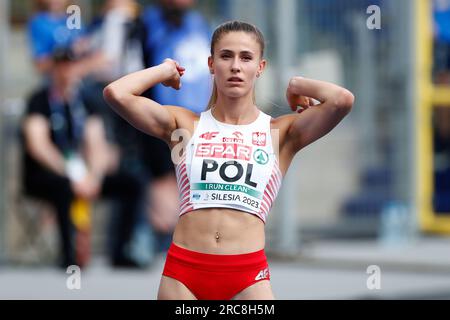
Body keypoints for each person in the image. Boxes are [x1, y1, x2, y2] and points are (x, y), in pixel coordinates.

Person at [103, 21, 354, 299]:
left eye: (246, 57)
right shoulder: (185, 126)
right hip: (184, 274)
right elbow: (116, 93)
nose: (236, 66)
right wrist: (165, 70)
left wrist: (296, 84)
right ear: (211, 64)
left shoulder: (279, 133)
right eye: (226, 56)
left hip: (247, 277)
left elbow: (341, 100)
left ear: (260, 67)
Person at [22, 47, 143, 268]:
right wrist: (71, 175)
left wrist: (94, 178)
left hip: (83, 174)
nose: (66, 71)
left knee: (131, 184)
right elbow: (38, 145)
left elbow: (96, 143)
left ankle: (121, 251)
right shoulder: (39, 101)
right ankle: (69, 256)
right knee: (64, 187)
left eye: (71, 65)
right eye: (61, 66)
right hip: (50, 174)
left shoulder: (85, 102)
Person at [139, 0, 212, 251]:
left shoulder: (198, 23)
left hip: (200, 118)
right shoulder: (149, 23)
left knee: (196, 179)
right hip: (167, 118)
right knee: (166, 180)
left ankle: (193, 241)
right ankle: (165, 240)